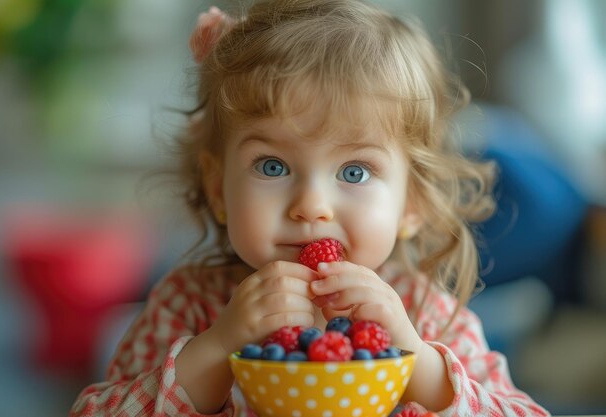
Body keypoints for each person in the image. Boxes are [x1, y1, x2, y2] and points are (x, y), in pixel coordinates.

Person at [70, 1, 550, 416]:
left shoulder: (429, 315)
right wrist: (215, 349)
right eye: (274, 167)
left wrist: (419, 366)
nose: (311, 207)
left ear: (412, 203)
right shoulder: (188, 305)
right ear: (218, 189)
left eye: (355, 172)